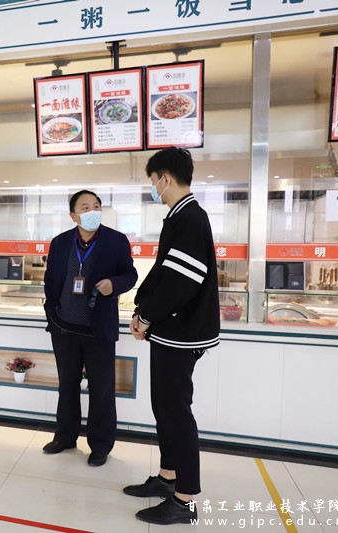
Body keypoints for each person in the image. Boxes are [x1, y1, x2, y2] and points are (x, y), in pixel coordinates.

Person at [123, 147, 220, 525]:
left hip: (181, 332)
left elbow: (181, 282)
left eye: (153, 181)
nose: (153, 188)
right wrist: (143, 311)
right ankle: (168, 478)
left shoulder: (190, 218)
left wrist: (147, 316)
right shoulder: (179, 215)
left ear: (165, 177)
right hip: (170, 330)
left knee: (176, 413)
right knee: (163, 407)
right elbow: (166, 274)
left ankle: (185, 499)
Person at [43, 190, 138, 467]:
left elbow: (130, 274)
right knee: (67, 385)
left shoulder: (115, 241)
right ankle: (65, 436)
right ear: (73, 215)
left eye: (96, 206)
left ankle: (100, 444)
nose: (92, 211)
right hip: (64, 328)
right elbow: (50, 280)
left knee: (102, 389)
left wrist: (114, 284)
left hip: (98, 329)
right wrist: (52, 313)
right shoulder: (61, 242)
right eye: (85, 207)